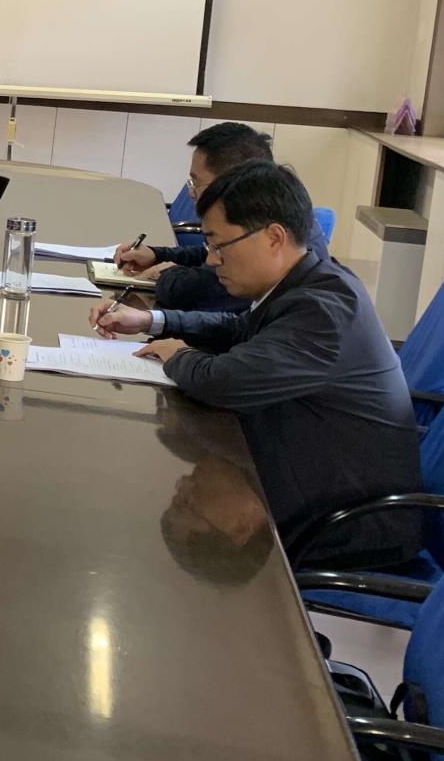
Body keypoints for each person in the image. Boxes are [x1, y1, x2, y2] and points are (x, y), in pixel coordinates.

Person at [90, 162, 422, 569]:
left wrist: (178, 355)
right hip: (308, 480)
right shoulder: (309, 283)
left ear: (274, 237)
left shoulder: (324, 312)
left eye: (219, 246)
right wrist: (152, 320)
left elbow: (222, 381)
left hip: (349, 528)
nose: (212, 260)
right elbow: (239, 329)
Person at [110, 122, 304, 316]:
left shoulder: (302, 303)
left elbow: (194, 291)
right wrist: (158, 255)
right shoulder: (259, 217)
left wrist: (165, 274)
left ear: (229, 182)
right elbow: (208, 253)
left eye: (196, 182)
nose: (191, 192)